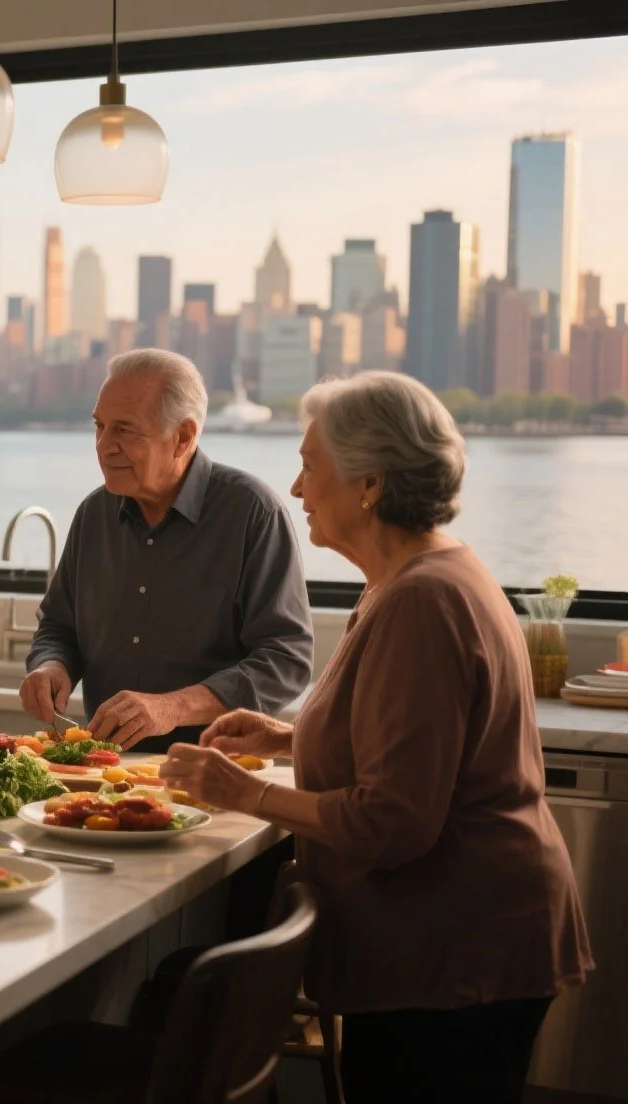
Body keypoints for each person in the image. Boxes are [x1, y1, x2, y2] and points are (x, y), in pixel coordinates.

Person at [160, 372, 592, 1104]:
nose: (297, 488)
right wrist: (287, 738)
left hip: (458, 954)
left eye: (310, 466)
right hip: (453, 945)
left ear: (369, 484)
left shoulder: (423, 599)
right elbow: (411, 741)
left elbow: (395, 821)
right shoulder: (407, 577)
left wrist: (247, 793)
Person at [19, 349, 312, 752]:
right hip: (106, 768)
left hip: (214, 770)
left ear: (184, 437)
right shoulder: (93, 514)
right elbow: (58, 626)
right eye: (100, 426)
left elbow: (286, 659)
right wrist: (51, 665)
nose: (104, 446)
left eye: (125, 430)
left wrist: (173, 707)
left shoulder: (252, 512)